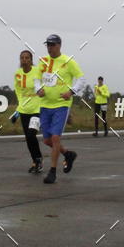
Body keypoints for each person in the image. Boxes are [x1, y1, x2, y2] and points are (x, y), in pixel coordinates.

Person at [36, 34, 84, 184]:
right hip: (45, 105)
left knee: (56, 138)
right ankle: (68, 154)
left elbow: (81, 78)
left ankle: (52, 172)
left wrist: (71, 91)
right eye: (48, 45)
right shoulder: (43, 61)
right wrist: (38, 89)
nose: (49, 48)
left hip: (61, 105)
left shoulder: (68, 61)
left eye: (52, 45)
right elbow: (36, 79)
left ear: (59, 45)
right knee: (47, 140)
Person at [13, 50, 43, 173]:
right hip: (24, 110)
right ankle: (35, 161)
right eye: (22, 58)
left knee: (31, 134)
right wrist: (19, 108)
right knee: (28, 138)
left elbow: (45, 86)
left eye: (27, 58)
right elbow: (18, 91)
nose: (24, 60)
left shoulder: (37, 71)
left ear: (31, 60)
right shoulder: (18, 74)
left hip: (37, 109)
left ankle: (39, 159)